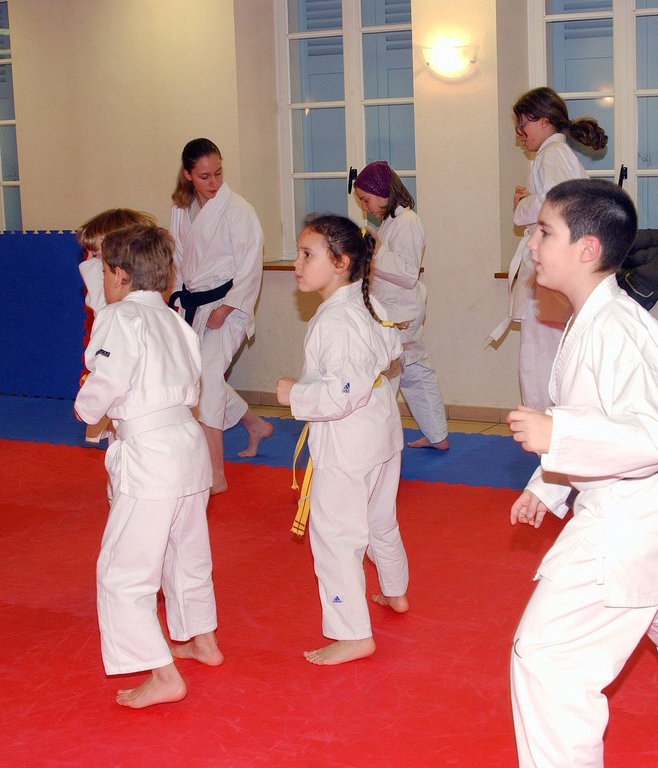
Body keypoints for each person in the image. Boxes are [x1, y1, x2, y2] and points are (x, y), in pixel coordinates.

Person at [505, 179, 658, 767]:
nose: (532, 242)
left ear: (588, 249)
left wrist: (557, 436)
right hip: (642, 507)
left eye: (544, 231)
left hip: (631, 518)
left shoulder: (621, 328)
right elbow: (601, 419)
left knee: (549, 659)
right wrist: (549, 483)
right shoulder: (592, 317)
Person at [74, 223, 222, 708]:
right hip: (187, 446)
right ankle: (201, 638)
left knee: (122, 572)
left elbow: (106, 378)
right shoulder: (175, 321)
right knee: (187, 550)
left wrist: (85, 407)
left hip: (150, 456)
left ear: (117, 275)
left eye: (103, 271)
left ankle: (162, 675)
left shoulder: (119, 319)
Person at [276, 213, 410, 666]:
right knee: (379, 519)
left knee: (336, 536)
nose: (296, 263)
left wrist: (293, 393)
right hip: (382, 432)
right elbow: (393, 352)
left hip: (349, 442)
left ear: (340, 262)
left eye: (306, 254)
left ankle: (352, 633)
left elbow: (341, 394)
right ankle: (394, 591)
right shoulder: (370, 304)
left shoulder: (336, 321)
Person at [489, 86, 608, 412]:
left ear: (543, 121)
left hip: (552, 270)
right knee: (553, 355)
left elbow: (559, 203)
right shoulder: (559, 155)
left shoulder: (553, 154)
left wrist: (522, 204)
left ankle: (546, 435)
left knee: (539, 359)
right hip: (563, 268)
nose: (519, 134)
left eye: (522, 125)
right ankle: (559, 433)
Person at [168, 138, 272, 494]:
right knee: (199, 377)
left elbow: (250, 266)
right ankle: (254, 424)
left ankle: (216, 474)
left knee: (208, 379)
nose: (213, 183)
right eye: (204, 176)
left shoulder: (238, 209)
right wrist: (175, 301)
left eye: (218, 173)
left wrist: (227, 308)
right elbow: (179, 262)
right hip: (194, 305)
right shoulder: (181, 211)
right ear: (188, 176)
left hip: (229, 306)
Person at [353, 161, 449, 450]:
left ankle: (379, 444)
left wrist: (377, 251)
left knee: (386, 375)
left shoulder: (407, 222)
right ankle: (437, 436)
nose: (366, 207)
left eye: (366, 200)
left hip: (399, 316)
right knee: (416, 374)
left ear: (382, 192)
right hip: (398, 312)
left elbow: (408, 274)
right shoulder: (394, 222)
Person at [76, 208, 157, 444]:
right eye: (90, 255)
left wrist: (88, 406)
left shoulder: (130, 309)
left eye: (97, 255)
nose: (90, 263)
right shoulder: (111, 302)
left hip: (144, 408)